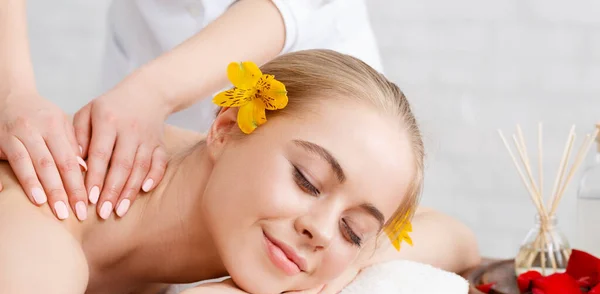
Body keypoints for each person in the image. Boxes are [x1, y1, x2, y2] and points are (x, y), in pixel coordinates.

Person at [0, 50, 479, 294]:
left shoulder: (221, 188)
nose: (321, 229)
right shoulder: (46, 215)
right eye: (308, 181)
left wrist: (353, 259)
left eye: (355, 229)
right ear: (226, 129)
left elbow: (457, 238)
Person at [0, 0, 381, 223]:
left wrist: (152, 93)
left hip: (309, 60)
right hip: (146, 57)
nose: (323, 232)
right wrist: (12, 92)